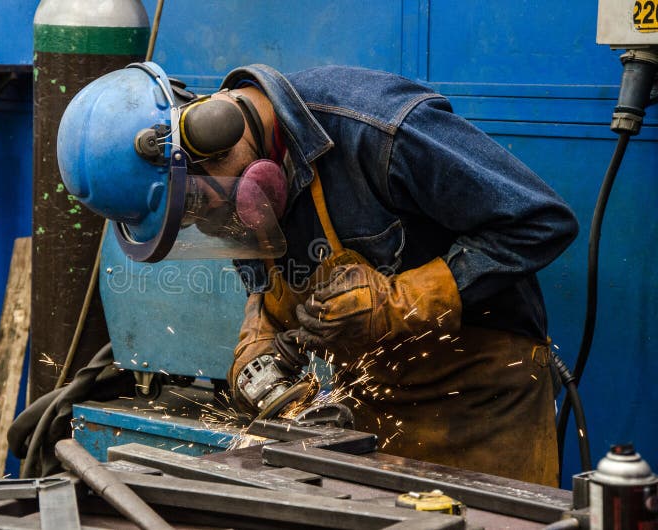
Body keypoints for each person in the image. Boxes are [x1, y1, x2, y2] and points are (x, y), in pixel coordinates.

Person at [57, 62, 578, 487]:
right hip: (370, 420)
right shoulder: (237, 189)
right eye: (187, 219)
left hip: (482, 408)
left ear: (213, 130)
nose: (207, 222)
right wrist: (259, 339)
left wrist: (403, 300)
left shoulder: (378, 129)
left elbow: (541, 220)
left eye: (195, 202)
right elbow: (266, 290)